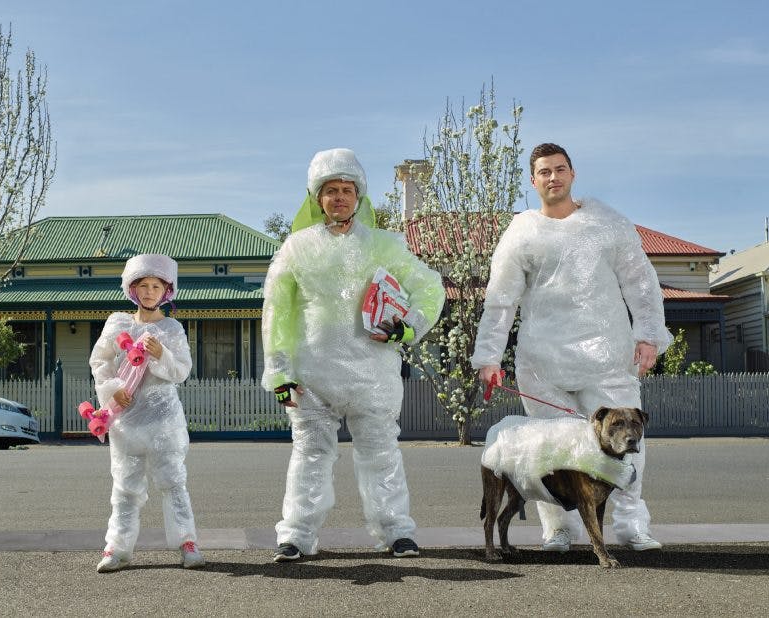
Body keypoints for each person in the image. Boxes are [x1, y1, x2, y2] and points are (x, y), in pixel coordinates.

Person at [471, 143, 672, 553]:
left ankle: (632, 524)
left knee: (626, 439)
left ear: (573, 174)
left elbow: (640, 281)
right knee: (549, 449)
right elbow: (501, 299)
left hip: (608, 356)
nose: (553, 177)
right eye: (544, 172)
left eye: (560, 169)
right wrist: (489, 356)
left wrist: (648, 334)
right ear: (533, 181)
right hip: (542, 362)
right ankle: (559, 529)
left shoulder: (607, 224)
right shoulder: (521, 232)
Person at [262, 148, 445, 562]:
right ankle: (296, 535)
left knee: (382, 453)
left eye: (347, 190)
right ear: (317, 198)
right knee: (309, 455)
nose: (340, 197)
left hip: (372, 374)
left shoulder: (384, 246)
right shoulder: (296, 249)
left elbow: (430, 286)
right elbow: (276, 314)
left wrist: (409, 324)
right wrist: (279, 373)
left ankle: (397, 531)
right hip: (312, 375)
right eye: (331, 190)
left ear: (358, 197)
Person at [89, 253, 205, 572]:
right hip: (127, 422)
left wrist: (161, 353)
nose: (150, 292)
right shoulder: (118, 324)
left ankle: (187, 542)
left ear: (166, 292)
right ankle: (117, 548)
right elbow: (99, 361)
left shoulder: (172, 329)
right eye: (143, 285)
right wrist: (113, 389)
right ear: (133, 290)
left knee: (173, 482)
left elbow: (181, 370)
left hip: (164, 420)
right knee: (125, 486)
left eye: (156, 286)